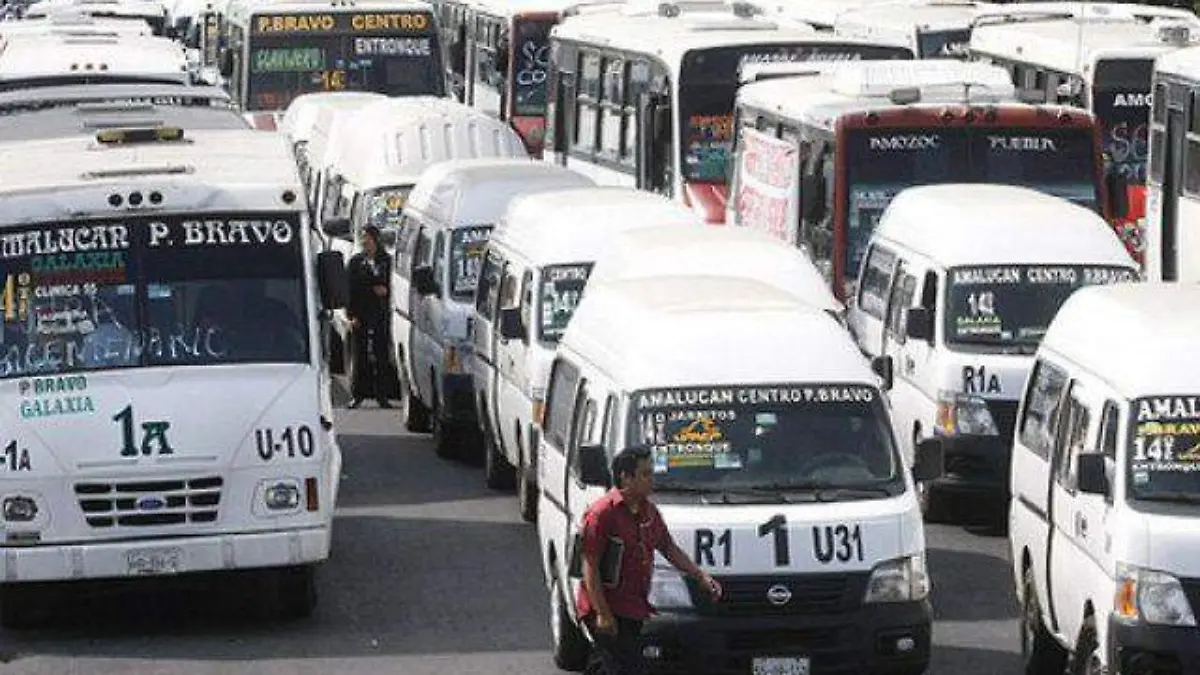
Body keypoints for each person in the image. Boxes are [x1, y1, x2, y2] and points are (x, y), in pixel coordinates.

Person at [576, 445, 723, 675]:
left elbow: (668, 547)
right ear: (626, 477)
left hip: (634, 607)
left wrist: (700, 576)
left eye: (651, 472)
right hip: (606, 607)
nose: (651, 479)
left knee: (616, 665)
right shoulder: (602, 513)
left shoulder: (649, 512)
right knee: (621, 666)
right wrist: (603, 613)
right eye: (645, 474)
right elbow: (590, 567)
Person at [346, 225, 393, 409]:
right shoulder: (356, 262)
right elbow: (349, 289)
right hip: (361, 313)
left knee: (381, 355)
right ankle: (358, 395)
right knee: (360, 355)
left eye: (368, 238)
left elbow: (390, 284)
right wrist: (351, 315)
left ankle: (382, 395)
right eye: (362, 238)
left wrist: (385, 291)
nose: (365, 241)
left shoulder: (386, 261)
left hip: (380, 314)